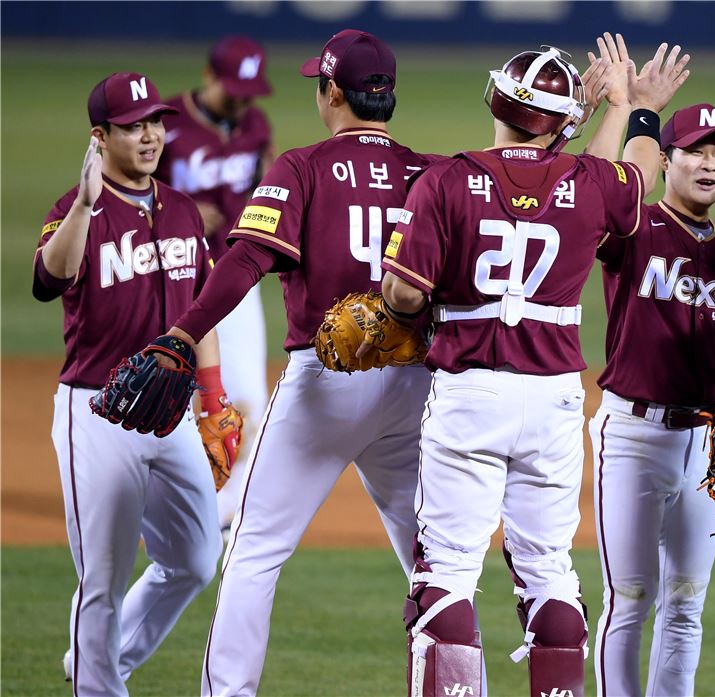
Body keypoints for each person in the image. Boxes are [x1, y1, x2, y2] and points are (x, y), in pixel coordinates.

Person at [376, 43, 689, 697]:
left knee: (448, 575)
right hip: (554, 401)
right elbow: (629, 177)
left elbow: (403, 296)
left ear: (495, 99)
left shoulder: (446, 181)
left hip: (469, 393)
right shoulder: (588, 184)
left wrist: (407, 306)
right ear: (563, 123)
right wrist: (633, 108)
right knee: (549, 572)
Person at [154, 29, 441, 696]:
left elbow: (244, 262)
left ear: (332, 92)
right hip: (417, 387)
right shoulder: (431, 174)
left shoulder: (303, 166)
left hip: (324, 386)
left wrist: (181, 334)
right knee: (435, 562)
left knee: (254, 548)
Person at [33, 71, 224, 696]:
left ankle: (102, 662)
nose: (150, 136)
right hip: (98, 411)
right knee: (104, 577)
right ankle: (97, 686)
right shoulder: (74, 209)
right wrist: (85, 205)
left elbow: (202, 311)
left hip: (169, 414)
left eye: (156, 122)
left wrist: (213, 399)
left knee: (195, 559)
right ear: (100, 136)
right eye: (132, 126)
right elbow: (50, 279)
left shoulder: (183, 209)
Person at [584, 38, 715, 697]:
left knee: (686, 603)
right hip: (633, 434)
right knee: (629, 598)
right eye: (695, 151)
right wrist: (634, 112)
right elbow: (594, 198)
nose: (709, 164)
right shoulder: (635, 229)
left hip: (705, 443)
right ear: (666, 159)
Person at [155, 35, 274, 534]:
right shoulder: (166, 127)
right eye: (234, 91)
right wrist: (177, 213)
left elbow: (268, 187)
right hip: (172, 279)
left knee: (246, 397)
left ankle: (231, 505)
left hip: (234, 276)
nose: (242, 102)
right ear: (208, 76)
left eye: (250, 93)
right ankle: (159, 500)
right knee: (162, 393)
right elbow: (130, 196)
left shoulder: (256, 126)